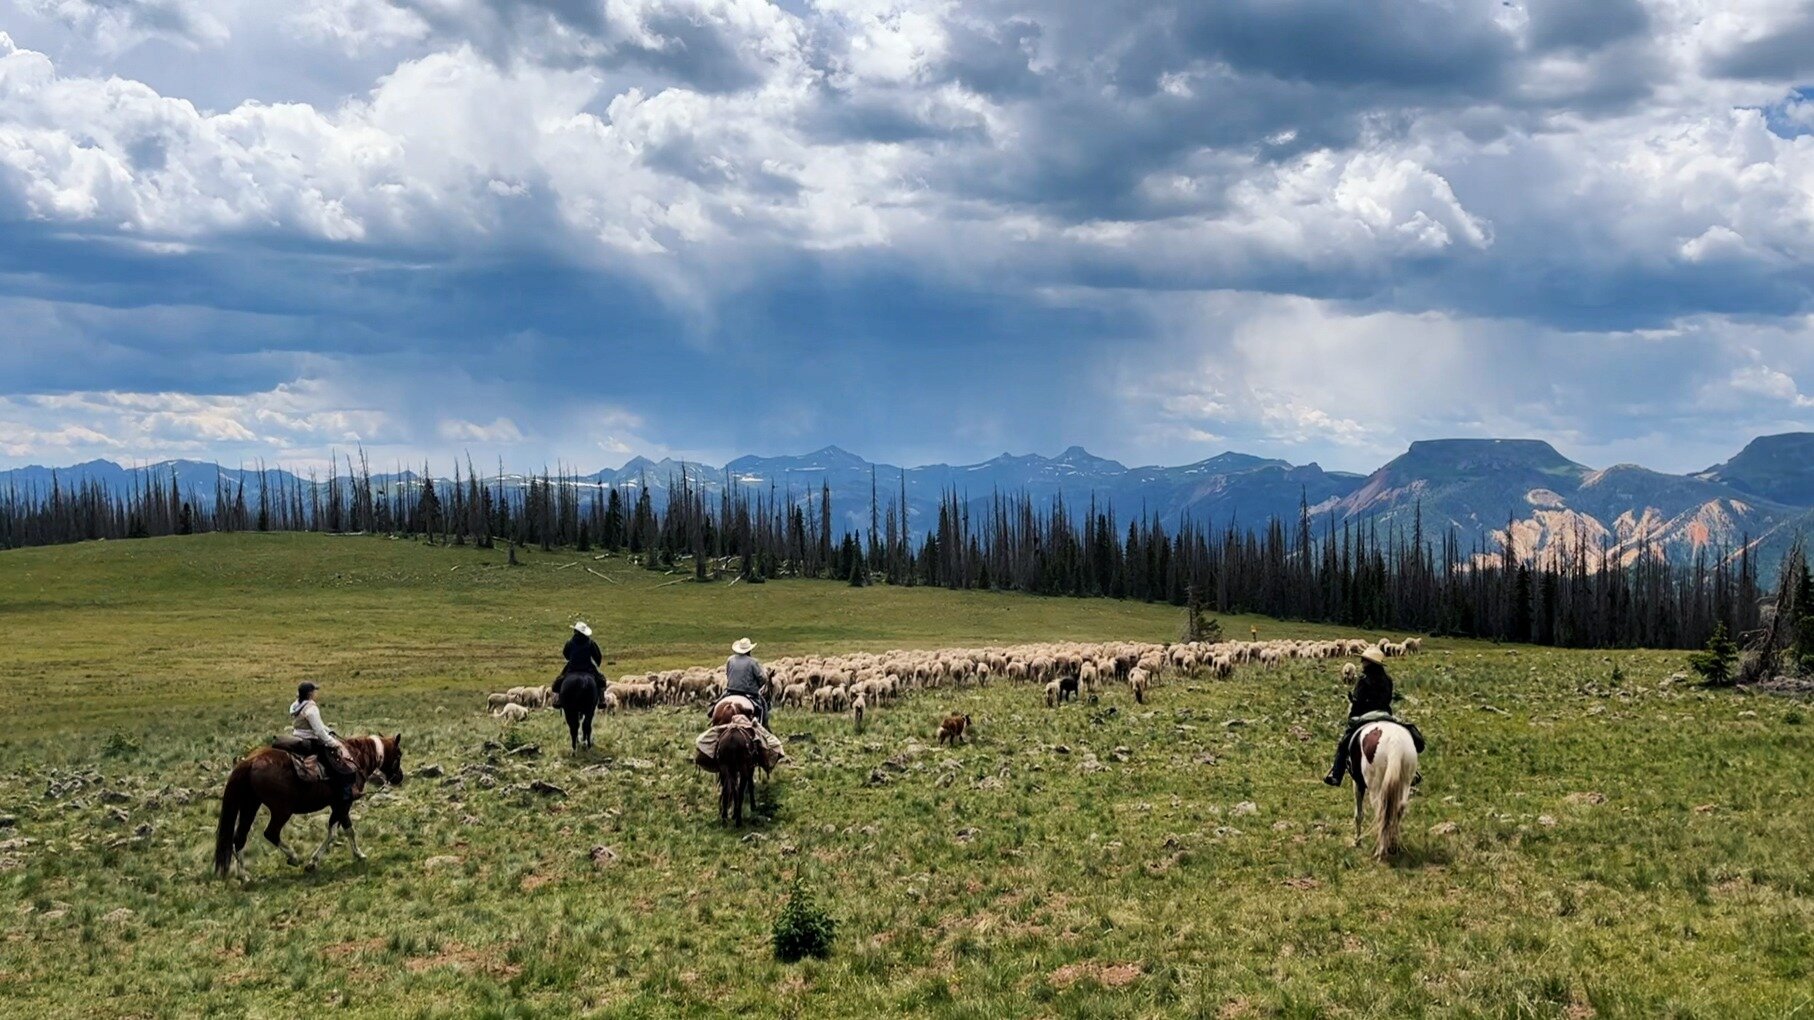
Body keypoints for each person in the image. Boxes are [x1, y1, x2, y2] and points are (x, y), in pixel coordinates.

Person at [1323, 647, 1426, 786]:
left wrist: (1353, 715)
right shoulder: (1388, 679)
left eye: (1364, 660)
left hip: (1366, 716)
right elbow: (1388, 698)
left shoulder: (1363, 678)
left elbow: (1357, 701)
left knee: (1344, 743)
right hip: (1385, 714)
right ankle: (1413, 772)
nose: (1361, 662)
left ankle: (1336, 775)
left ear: (1369, 662)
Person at [288, 682, 358, 808]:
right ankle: (344, 795)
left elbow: (318, 725)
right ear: (310, 694)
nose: (316, 693)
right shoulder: (311, 709)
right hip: (311, 741)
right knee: (339, 767)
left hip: (297, 737)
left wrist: (328, 730)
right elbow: (318, 731)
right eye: (314, 691)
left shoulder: (296, 705)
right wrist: (333, 743)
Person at [717, 637, 770, 729]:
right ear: (749, 650)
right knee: (763, 706)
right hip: (749, 693)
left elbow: (728, 673)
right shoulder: (753, 662)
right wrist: (758, 686)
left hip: (730, 691)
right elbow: (763, 678)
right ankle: (763, 727)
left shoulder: (730, 660)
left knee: (717, 703)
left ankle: (712, 720)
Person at [554, 621, 605, 706]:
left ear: (575, 631)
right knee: (601, 680)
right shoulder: (590, 642)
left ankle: (558, 700)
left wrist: (571, 658)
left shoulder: (570, 642)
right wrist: (597, 663)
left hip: (572, 667)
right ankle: (601, 700)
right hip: (587, 667)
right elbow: (597, 656)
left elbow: (565, 654)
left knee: (559, 681)